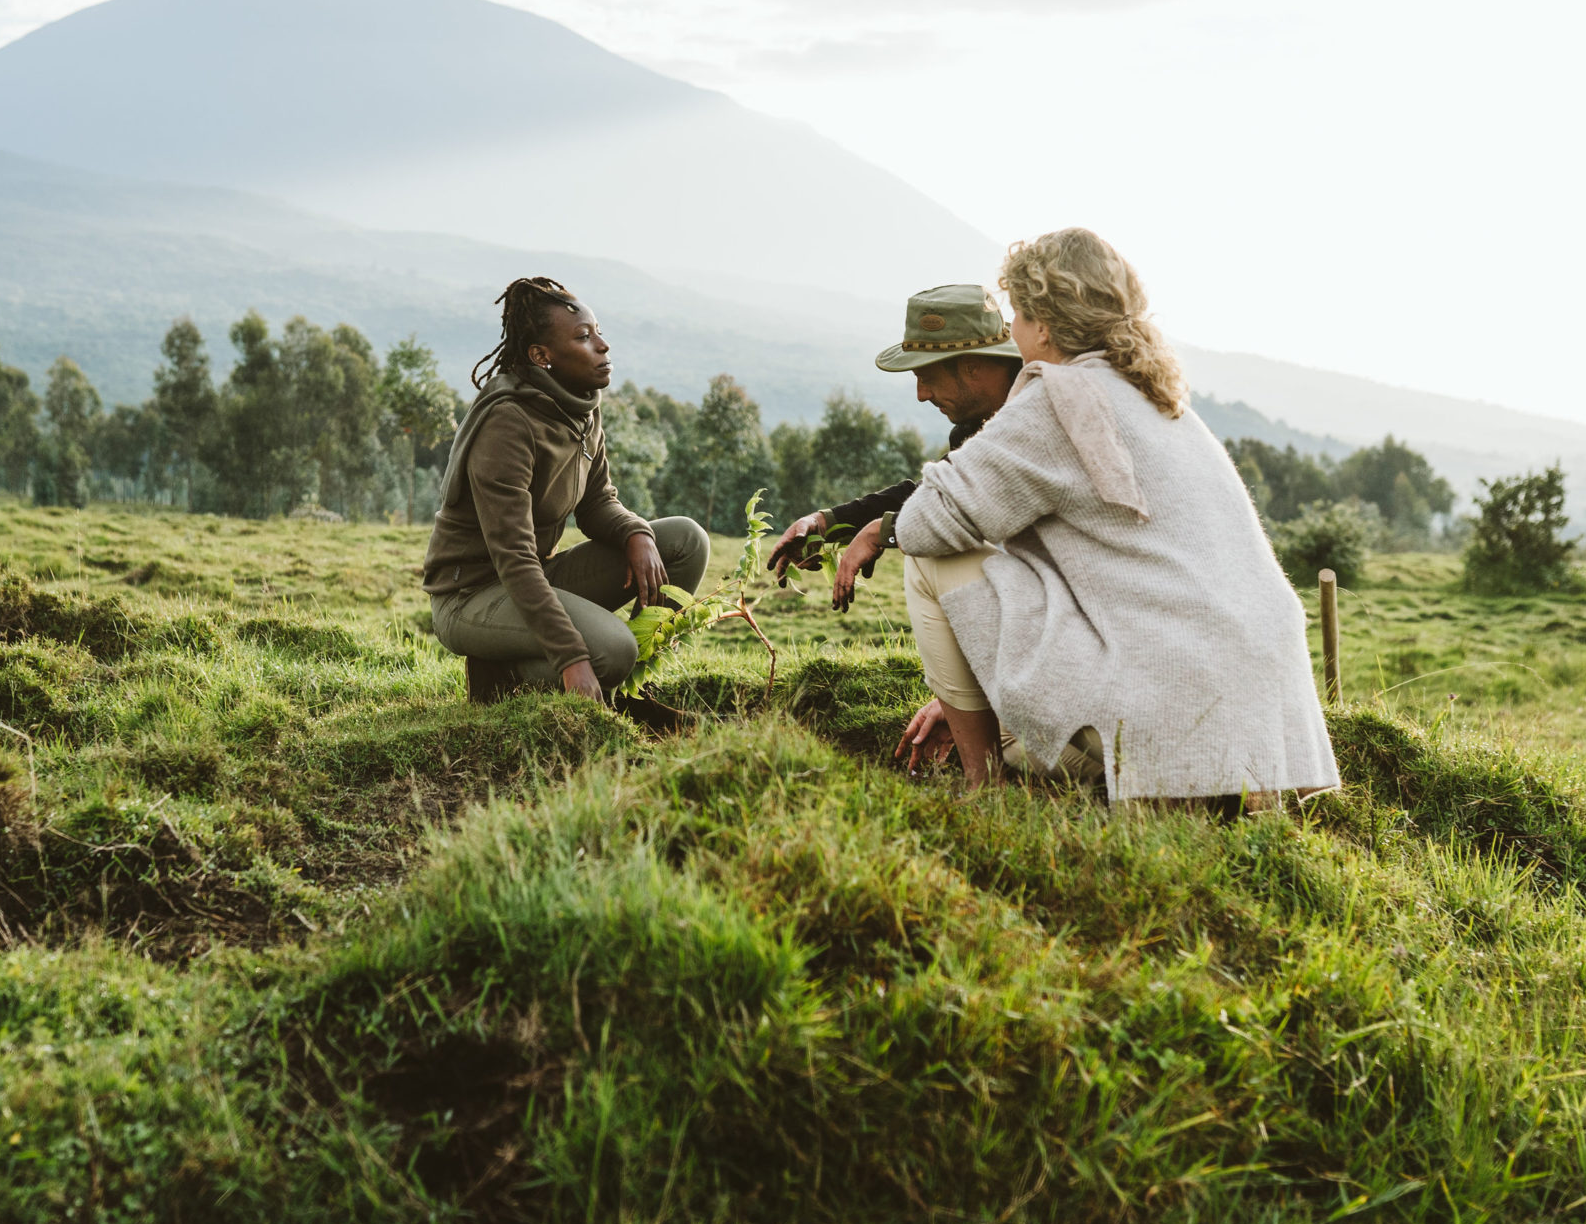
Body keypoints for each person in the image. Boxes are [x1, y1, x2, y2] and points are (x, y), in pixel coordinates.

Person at [891, 229, 1339, 807]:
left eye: (1018, 315)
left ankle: (986, 793)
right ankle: (1218, 789)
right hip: (1260, 700)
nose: (1013, 332)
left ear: (1043, 325)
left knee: (931, 563)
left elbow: (921, 524)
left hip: (1171, 686)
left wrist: (880, 531)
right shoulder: (1157, 396)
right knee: (1023, 738)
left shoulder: (1058, 397)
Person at [423, 276, 709, 732]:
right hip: (472, 594)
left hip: (535, 575)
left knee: (684, 542)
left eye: (598, 331)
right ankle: (504, 676)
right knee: (611, 650)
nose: (603, 345)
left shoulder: (581, 407)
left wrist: (635, 532)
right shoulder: (507, 423)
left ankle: (628, 694)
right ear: (542, 356)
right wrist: (573, 656)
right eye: (583, 337)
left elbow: (598, 503)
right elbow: (514, 559)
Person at [767, 283, 1023, 609]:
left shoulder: (1033, 412)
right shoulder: (978, 425)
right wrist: (824, 523)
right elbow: (931, 494)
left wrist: (884, 532)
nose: (921, 394)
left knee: (925, 558)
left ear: (971, 365)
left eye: (927, 377)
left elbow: (977, 505)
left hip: (1078, 614)